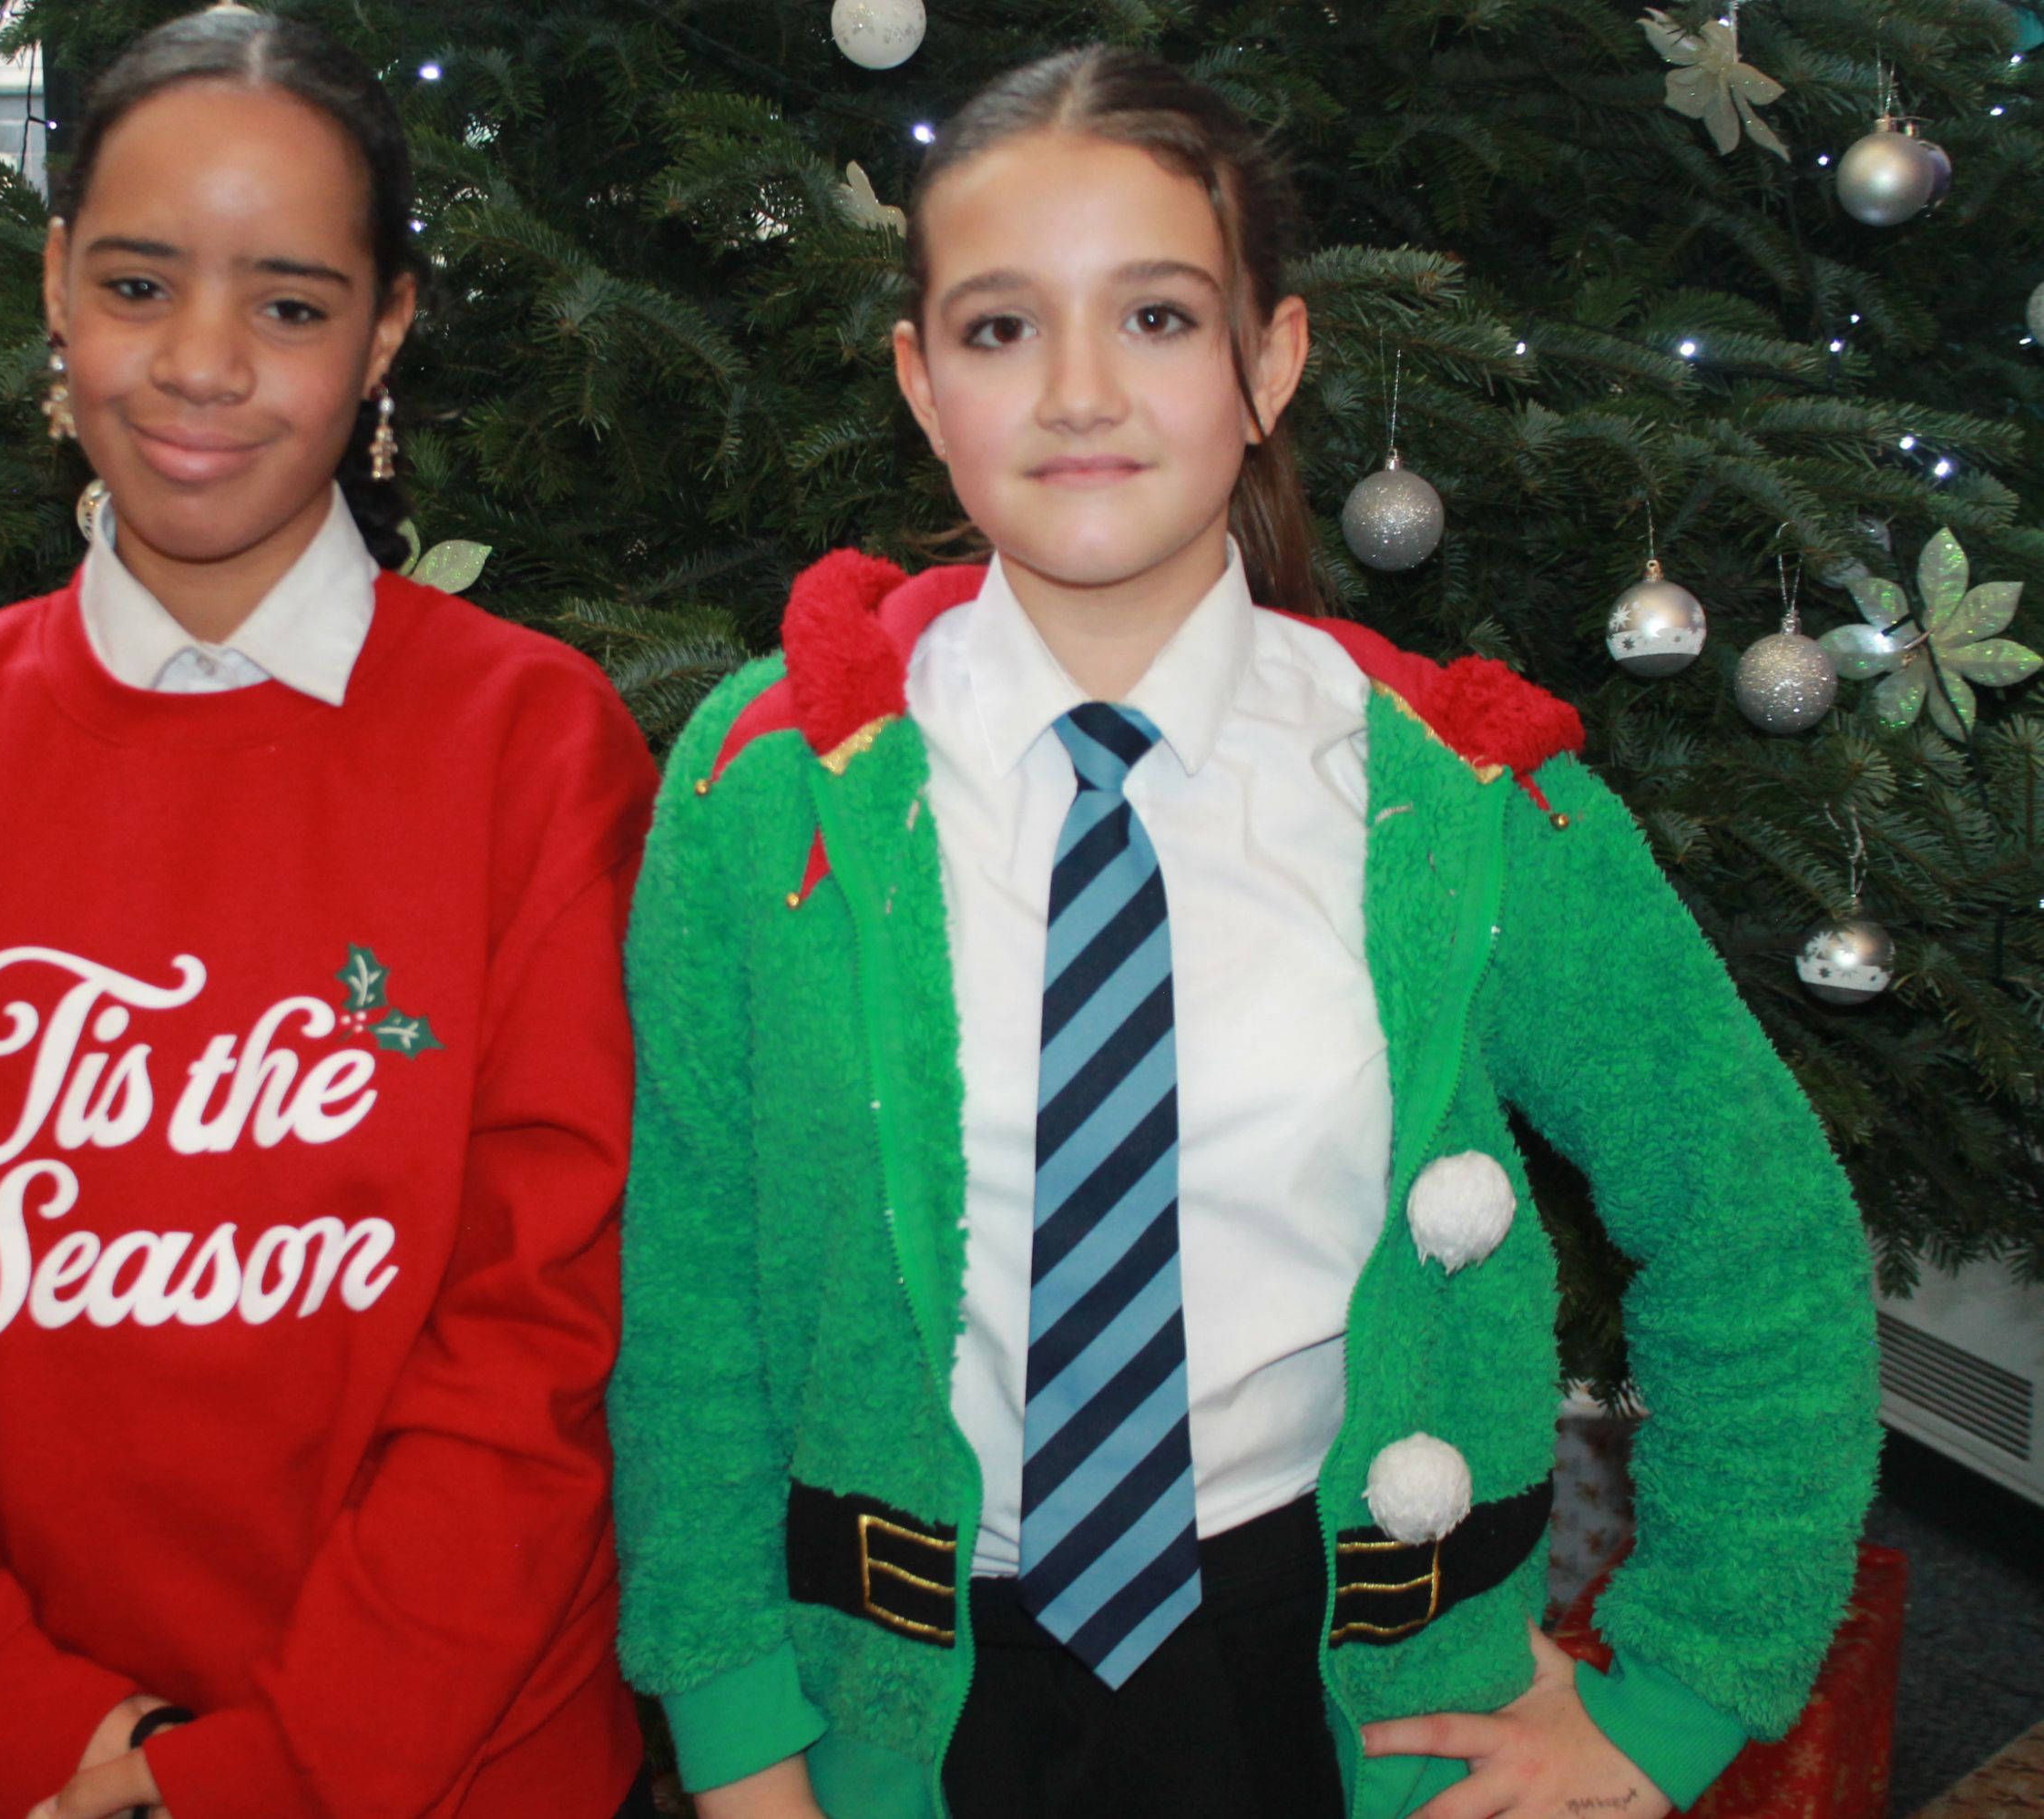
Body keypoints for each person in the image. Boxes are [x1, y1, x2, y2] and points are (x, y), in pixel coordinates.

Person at [610, 47, 1876, 1819]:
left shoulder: (1465, 805)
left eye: (1150, 317)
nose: (1071, 392)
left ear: (1266, 360)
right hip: (892, 1684)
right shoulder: (764, 794)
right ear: (916, 381)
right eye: (994, 328)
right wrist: (732, 1719)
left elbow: (1756, 1232)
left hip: (1309, 1675)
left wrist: (1671, 1694)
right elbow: (688, 1285)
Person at [0, 13, 659, 1819]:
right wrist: (26, 1722)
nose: (200, 363)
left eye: (288, 303)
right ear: (55, 284)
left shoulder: (533, 749)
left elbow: (549, 1338)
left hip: (454, 1760)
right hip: (38, 1771)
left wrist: (279, 1766)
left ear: (386, 330)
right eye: (138, 281)